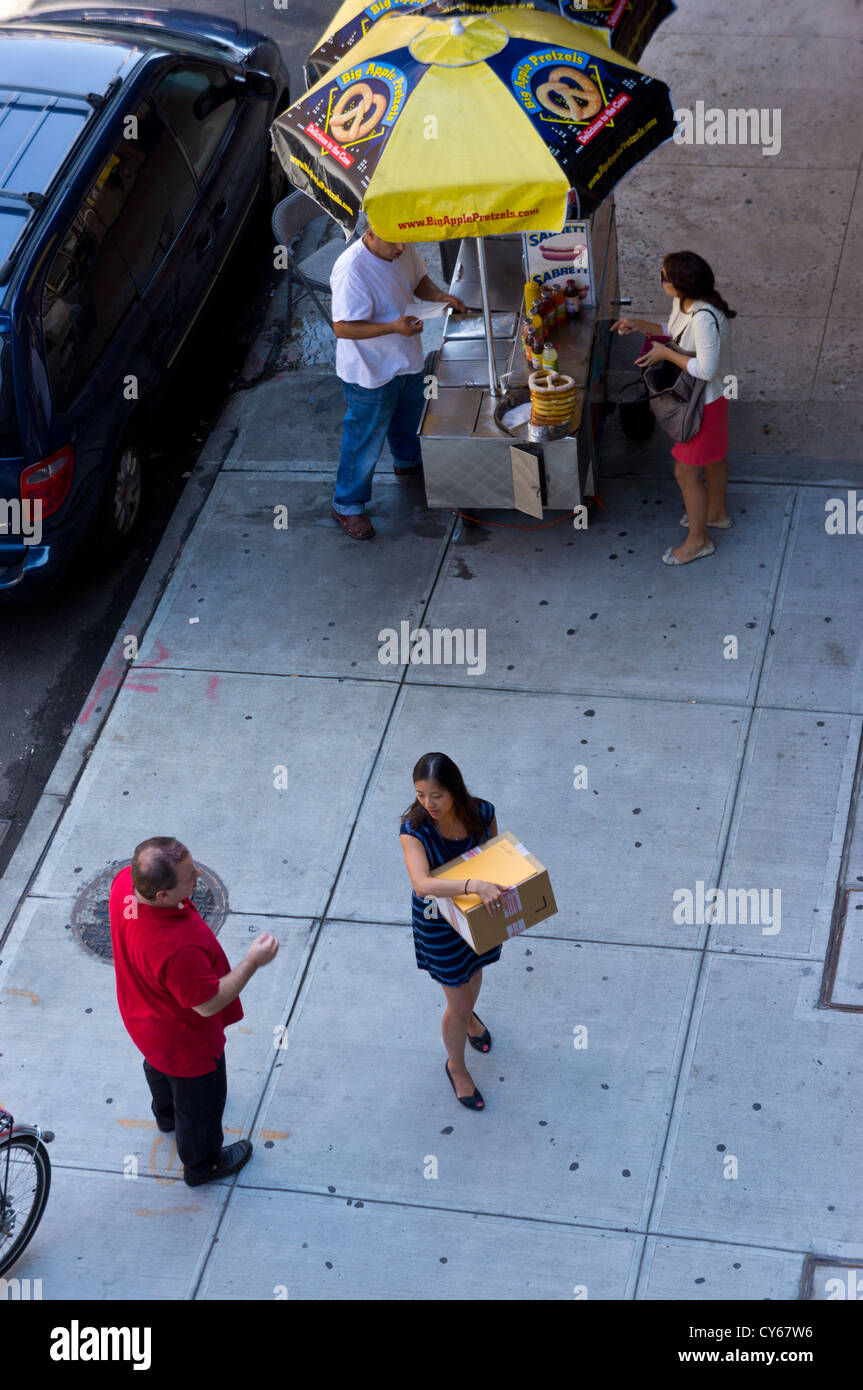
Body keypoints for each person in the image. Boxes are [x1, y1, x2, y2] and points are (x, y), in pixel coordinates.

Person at [108, 837, 278, 1186]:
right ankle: (203, 1164)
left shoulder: (125, 883)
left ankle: (166, 1116)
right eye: (188, 877)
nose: (198, 875)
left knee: (157, 1068)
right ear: (163, 896)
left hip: (143, 1019)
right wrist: (252, 962)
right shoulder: (176, 947)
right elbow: (209, 1003)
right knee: (200, 1102)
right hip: (185, 1042)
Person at [329, 220, 466, 540]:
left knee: (408, 417)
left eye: (405, 242)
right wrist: (393, 327)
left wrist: (441, 297)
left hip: (405, 359)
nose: (401, 248)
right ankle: (346, 504)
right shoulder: (352, 270)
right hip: (369, 372)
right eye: (393, 243)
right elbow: (343, 328)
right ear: (370, 233)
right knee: (364, 439)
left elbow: (418, 281)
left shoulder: (401, 246)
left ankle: (407, 461)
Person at [399, 753, 510, 1111]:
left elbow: (496, 857)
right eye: (420, 794)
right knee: (458, 999)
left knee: (474, 973)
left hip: (477, 914)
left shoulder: (483, 814)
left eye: (436, 795)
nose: (427, 804)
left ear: (455, 791)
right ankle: (456, 1066)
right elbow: (421, 884)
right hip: (438, 923)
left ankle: (469, 1019)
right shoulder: (414, 830)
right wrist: (473, 884)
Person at [612, 250, 736, 565]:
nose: (661, 280)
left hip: (703, 404)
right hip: (707, 401)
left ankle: (698, 541)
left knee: (685, 472)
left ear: (681, 283)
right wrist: (641, 325)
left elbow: (707, 370)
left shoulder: (705, 317)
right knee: (712, 458)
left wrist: (665, 355)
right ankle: (716, 513)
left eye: (664, 276)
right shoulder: (684, 302)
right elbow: (675, 330)